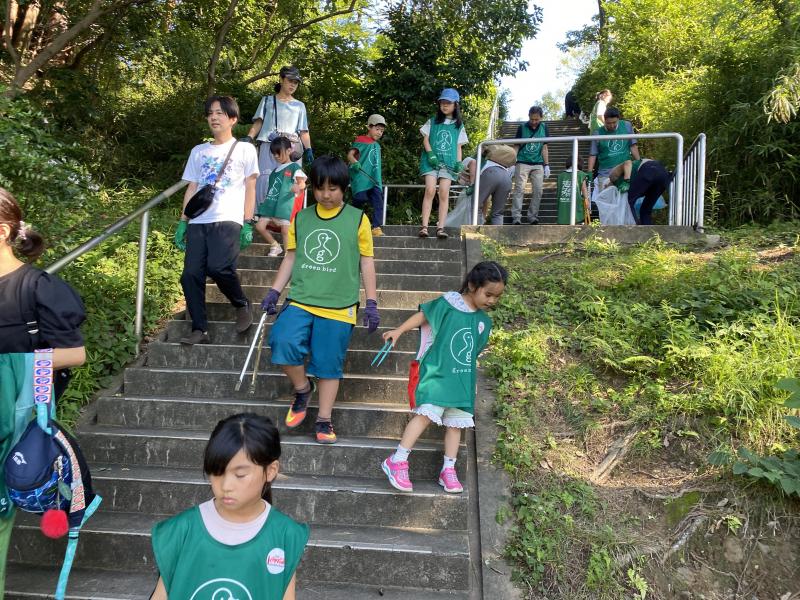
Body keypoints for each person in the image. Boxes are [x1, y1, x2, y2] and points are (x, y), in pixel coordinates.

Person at [0, 187, 87, 594]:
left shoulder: (36, 287)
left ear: (3, 231)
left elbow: (75, 353)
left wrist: (16, 364)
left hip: (13, 427)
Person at [260, 156, 380, 445]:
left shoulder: (358, 219)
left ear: (345, 188)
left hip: (339, 305)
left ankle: (324, 419)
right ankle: (302, 389)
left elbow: (366, 262)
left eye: (333, 189)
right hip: (302, 298)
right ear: (312, 187)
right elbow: (290, 256)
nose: (326, 195)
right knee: (282, 340)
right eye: (320, 188)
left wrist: (372, 301)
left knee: (328, 364)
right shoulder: (301, 218)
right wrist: (275, 290)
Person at [150, 413, 308, 600]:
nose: (225, 486)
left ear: (271, 470)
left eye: (240, 475)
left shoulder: (285, 534)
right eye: (216, 473)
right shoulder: (181, 530)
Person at [380, 261, 507, 493]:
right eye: (488, 294)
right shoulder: (448, 304)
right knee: (425, 415)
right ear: (472, 285)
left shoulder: (483, 322)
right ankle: (397, 459)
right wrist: (398, 331)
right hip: (437, 375)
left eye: (496, 297)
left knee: (455, 425)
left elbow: (473, 353)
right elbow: (422, 316)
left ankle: (448, 469)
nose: (491, 301)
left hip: (461, 382)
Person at [174, 95, 259, 345]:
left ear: (232, 119)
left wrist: (248, 221)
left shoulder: (245, 149)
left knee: (219, 267)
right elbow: (192, 188)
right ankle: (200, 329)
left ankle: (241, 303)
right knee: (190, 275)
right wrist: (183, 221)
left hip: (229, 218)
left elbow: (251, 186)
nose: (213, 117)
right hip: (199, 220)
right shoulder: (198, 151)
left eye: (220, 113)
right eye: (210, 113)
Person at [245, 66, 314, 205]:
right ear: (281, 79)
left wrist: (308, 149)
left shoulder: (299, 106)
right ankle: (259, 216)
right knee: (265, 178)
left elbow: (303, 131)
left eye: (296, 82)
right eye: (290, 81)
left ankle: (288, 219)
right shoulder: (267, 101)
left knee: (291, 181)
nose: (293, 85)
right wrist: (249, 137)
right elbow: (259, 122)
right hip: (269, 145)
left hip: (291, 148)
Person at [418, 88, 469, 239]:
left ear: (455, 105)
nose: (444, 106)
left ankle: (441, 227)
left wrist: (459, 164)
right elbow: (425, 139)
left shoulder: (458, 125)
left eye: (448, 103)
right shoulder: (432, 121)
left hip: (449, 164)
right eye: (442, 102)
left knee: (444, 193)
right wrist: (430, 154)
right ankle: (424, 226)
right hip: (431, 162)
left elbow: (459, 146)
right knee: (430, 190)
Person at [254, 137, 307, 257]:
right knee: (259, 226)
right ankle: (275, 245)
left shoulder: (294, 167)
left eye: (279, 152)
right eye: (274, 154)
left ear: (289, 150)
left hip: (285, 205)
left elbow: (302, 183)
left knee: (285, 230)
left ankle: (288, 256)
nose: (276, 156)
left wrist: (298, 187)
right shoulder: (274, 171)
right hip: (271, 204)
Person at [347, 114, 386, 237]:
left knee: (378, 202)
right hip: (362, 177)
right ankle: (352, 221)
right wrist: (355, 162)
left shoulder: (377, 145)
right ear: (369, 127)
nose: (380, 133)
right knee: (360, 199)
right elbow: (350, 155)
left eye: (382, 131)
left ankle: (376, 227)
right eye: (377, 129)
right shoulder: (361, 140)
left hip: (374, 179)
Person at [587, 107, 640, 193]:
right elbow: (593, 154)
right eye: (608, 123)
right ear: (604, 121)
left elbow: (633, 145)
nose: (611, 125)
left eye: (614, 122)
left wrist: (638, 162)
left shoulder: (626, 126)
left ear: (618, 119)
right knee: (605, 201)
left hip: (625, 172)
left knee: (625, 201)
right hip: (605, 173)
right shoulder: (597, 133)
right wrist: (589, 172)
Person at [512, 106, 550, 225]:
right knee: (519, 189)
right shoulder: (522, 127)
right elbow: (516, 146)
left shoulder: (544, 128)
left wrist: (547, 165)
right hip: (522, 162)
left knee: (538, 190)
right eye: (532, 119)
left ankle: (532, 216)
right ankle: (516, 217)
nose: (534, 122)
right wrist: (512, 163)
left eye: (536, 119)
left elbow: (544, 147)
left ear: (541, 118)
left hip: (538, 163)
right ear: (529, 117)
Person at [460, 145, 515, 225]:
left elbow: (468, 177)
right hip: (506, 178)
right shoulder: (501, 161)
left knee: (476, 206)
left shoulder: (477, 160)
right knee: (498, 213)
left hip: (491, 174)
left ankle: (477, 233)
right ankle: (497, 235)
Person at [610, 158, 672, 225]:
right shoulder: (619, 186)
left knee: (628, 202)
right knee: (646, 209)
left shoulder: (612, 176)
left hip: (649, 168)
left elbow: (627, 162)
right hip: (662, 175)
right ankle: (649, 232)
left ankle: (634, 229)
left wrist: (626, 181)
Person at [556, 157, 591, 225]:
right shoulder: (581, 174)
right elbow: (584, 189)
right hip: (576, 203)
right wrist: (587, 200)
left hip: (563, 203)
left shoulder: (561, 175)